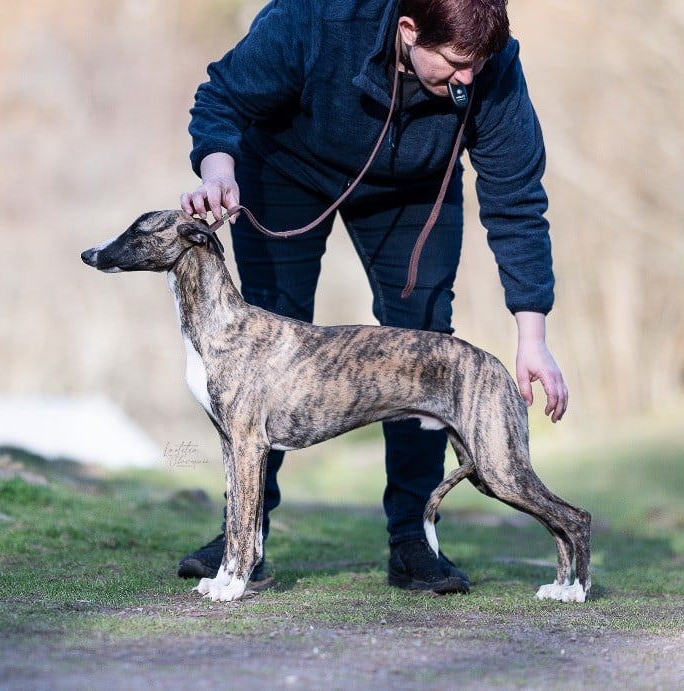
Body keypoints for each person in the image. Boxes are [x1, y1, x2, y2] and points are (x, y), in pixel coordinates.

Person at [177, 0, 568, 594]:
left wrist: (532, 336)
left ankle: (413, 540)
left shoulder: (493, 65)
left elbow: (517, 198)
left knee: (426, 343)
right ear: (409, 31)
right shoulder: (319, 17)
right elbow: (222, 96)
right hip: (285, 167)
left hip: (414, 192)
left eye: (478, 67)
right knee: (267, 343)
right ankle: (244, 540)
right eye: (456, 64)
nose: (468, 79)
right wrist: (217, 171)